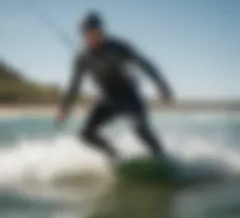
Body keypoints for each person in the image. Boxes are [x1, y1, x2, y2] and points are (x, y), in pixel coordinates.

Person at [56, 11, 174, 161]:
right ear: (83, 35)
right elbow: (74, 85)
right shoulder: (82, 58)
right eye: (87, 33)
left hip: (129, 95)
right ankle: (114, 156)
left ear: (101, 31)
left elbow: (145, 64)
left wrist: (162, 86)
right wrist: (65, 109)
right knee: (85, 134)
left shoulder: (119, 47)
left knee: (140, 129)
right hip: (107, 98)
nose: (91, 36)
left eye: (94, 32)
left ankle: (162, 158)